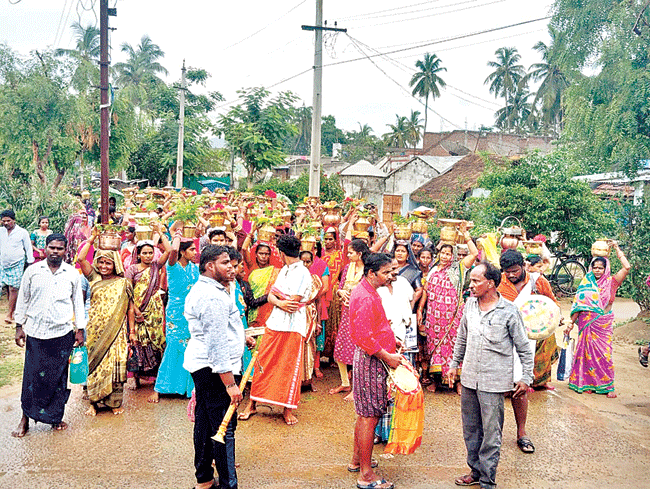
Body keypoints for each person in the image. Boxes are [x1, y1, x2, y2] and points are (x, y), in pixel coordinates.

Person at [447, 261, 534, 489]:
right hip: (469, 379)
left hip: (494, 382)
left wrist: (526, 377)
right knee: (471, 429)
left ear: (491, 283)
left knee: (492, 433)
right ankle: (475, 471)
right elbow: (462, 338)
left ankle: (487, 480)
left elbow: (524, 348)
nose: (471, 285)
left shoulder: (509, 311)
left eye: (476, 280)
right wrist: (454, 364)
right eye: (471, 280)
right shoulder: (469, 305)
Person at [183, 244, 252, 489]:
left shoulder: (215, 289)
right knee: (224, 428)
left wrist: (242, 336)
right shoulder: (212, 296)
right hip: (214, 369)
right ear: (210, 266)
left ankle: (203, 479)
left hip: (206, 365)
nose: (232, 269)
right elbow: (216, 344)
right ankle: (228, 485)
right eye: (226, 264)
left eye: (233, 264)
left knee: (205, 422)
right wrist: (231, 384)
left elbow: (222, 329)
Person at [12, 233, 86, 437]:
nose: (55, 251)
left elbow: (77, 304)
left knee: (58, 379)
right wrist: (19, 326)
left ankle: (55, 417)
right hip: (36, 333)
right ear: (45, 248)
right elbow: (23, 299)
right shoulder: (33, 271)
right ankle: (25, 419)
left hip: (62, 333)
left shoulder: (71, 273)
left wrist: (79, 329)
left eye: (59, 248)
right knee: (31, 378)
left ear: (65, 250)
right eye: (52, 247)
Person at [241, 235, 312, 425]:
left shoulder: (303, 272)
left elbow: (292, 301)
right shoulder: (285, 270)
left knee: (289, 367)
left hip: (293, 326)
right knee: (263, 361)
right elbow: (274, 296)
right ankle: (253, 404)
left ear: (281, 253)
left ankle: (287, 409)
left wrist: (278, 299)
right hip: (274, 323)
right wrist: (279, 300)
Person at [497, 249, 559, 454]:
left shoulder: (538, 282)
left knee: (520, 386)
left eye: (515, 270)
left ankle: (521, 433)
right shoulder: (498, 281)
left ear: (524, 265)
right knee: (495, 388)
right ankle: (492, 434)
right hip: (500, 341)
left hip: (525, 343)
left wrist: (549, 323)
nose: (512, 275)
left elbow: (552, 306)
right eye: (508, 272)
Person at [348, 252, 401, 489]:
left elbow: (371, 330)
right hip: (372, 360)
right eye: (386, 272)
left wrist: (389, 338)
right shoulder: (366, 297)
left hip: (370, 357)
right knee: (370, 415)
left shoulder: (366, 291)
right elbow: (364, 338)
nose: (391, 276)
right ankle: (366, 475)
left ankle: (357, 460)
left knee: (365, 413)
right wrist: (388, 356)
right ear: (371, 273)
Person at [77, 232, 135, 416]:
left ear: (115, 264)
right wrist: (92, 239)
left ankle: (114, 403)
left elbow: (130, 309)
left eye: (108, 262)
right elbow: (80, 258)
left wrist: (131, 332)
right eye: (100, 262)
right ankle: (94, 403)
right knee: (95, 365)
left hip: (117, 332)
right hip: (95, 330)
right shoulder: (94, 278)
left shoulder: (124, 283)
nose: (103, 266)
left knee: (116, 364)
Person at [565, 242, 630, 398]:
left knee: (604, 354)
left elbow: (627, 267)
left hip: (603, 323)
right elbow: (580, 306)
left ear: (605, 268)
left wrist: (616, 248)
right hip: (586, 322)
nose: (597, 271)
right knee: (586, 354)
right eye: (595, 268)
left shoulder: (612, 282)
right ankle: (586, 382)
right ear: (590, 268)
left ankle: (607, 385)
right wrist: (570, 323)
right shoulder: (586, 284)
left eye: (600, 268)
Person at [417, 226, 478, 393]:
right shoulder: (433, 269)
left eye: (448, 254)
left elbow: (474, 254)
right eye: (442, 253)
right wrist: (420, 310)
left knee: (454, 348)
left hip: (452, 317)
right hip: (433, 317)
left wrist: (465, 235)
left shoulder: (458, 268)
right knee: (433, 347)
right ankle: (436, 381)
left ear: (454, 255)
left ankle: (458, 382)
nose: (445, 257)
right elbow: (426, 291)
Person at [149, 231, 199, 403]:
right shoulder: (172, 266)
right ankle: (160, 388)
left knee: (191, 348)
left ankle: (187, 388)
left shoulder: (195, 268)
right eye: (192, 250)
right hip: (176, 314)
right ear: (183, 252)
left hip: (193, 313)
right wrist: (177, 233)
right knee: (173, 347)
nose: (195, 252)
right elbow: (173, 252)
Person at [124, 223, 171, 388]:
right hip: (137, 310)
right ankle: (136, 378)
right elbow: (129, 294)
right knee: (138, 342)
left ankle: (156, 377)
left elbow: (169, 251)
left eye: (150, 253)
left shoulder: (156, 266)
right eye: (144, 253)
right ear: (138, 254)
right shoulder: (131, 270)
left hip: (155, 311)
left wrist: (160, 233)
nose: (148, 256)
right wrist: (135, 310)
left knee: (156, 342)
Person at [330, 239, 370, 398]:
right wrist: (340, 293)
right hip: (346, 312)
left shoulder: (368, 270)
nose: (348, 255)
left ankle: (357, 388)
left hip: (361, 313)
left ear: (359, 254)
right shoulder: (347, 267)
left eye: (351, 252)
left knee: (357, 349)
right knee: (341, 346)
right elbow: (340, 287)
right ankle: (345, 383)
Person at [1, 209, 35, 324]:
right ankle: (12, 309)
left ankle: (10, 314)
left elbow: (28, 247)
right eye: (3, 221)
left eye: (8, 221)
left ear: (14, 220)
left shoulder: (22, 232)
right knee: (6, 287)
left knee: (14, 288)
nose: (6, 223)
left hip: (17, 262)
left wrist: (30, 262)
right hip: (3, 263)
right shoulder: (1, 232)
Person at [299, 250, 324, 391]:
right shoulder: (295, 278)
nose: (305, 264)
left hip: (311, 315)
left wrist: (319, 322)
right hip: (299, 314)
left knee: (311, 346)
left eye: (308, 261)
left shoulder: (315, 279)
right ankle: (298, 381)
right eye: (302, 261)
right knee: (299, 347)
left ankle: (308, 381)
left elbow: (319, 302)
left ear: (312, 262)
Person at [321, 227, 346, 363]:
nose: (328, 242)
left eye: (331, 239)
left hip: (335, 291)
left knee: (334, 321)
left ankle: (333, 356)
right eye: (326, 239)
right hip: (321, 291)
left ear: (335, 240)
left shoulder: (339, 255)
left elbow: (342, 274)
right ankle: (321, 353)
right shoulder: (320, 254)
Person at [392, 240, 422, 308]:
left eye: (403, 251)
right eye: (397, 251)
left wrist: (408, 303)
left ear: (408, 255)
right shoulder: (387, 268)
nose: (400, 253)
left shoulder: (413, 271)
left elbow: (419, 290)